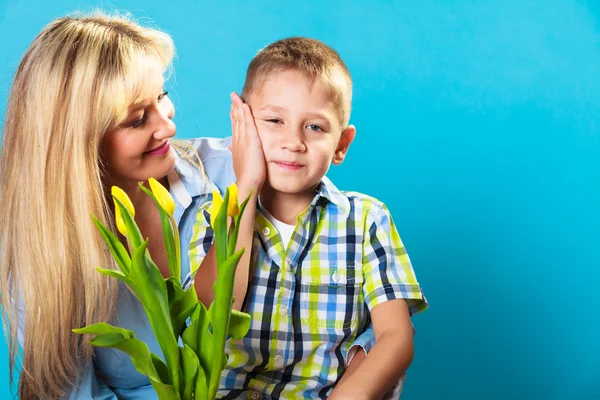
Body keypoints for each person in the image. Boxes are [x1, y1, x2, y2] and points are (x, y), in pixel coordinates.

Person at [0, 12, 377, 399]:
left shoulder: (235, 165)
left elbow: (356, 294)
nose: (167, 126)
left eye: (161, 97)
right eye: (136, 120)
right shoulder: (40, 261)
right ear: (78, 141)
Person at [189, 37, 428, 399]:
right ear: (242, 127)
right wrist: (247, 187)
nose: (293, 142)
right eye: (273, 120)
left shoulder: (366, 220)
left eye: (314, 127)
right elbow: (213, 314)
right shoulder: (213, 214)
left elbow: (396, 336)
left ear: (342, 144)